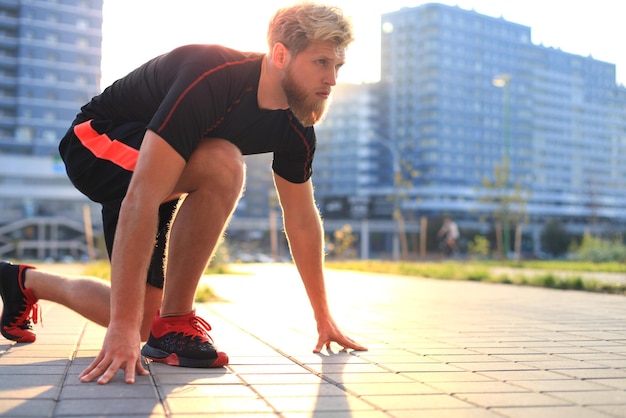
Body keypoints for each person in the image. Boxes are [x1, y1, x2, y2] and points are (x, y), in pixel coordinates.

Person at [0, 3, 367, 385]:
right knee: (223, 160)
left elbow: (302, 220)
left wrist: (323, 318)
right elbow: (141, 195)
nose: (333, 79)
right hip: (96, 143)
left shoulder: (295, 127)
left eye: (338, 66)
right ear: (280, 55)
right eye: (322, 63)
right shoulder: (212, 75)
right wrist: (119, 329)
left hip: (161, 173)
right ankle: (176, 319)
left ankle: (25, 283)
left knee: (144, 323)